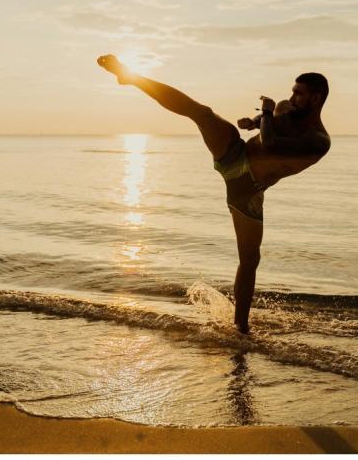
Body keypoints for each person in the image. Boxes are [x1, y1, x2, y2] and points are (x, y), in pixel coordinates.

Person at [96, 54, 330, 334]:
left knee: (250, 260)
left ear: (316, 99)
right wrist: (254, 121)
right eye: (292, 90)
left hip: (249, 191)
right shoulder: (284, 109)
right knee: (201, 112)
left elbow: (271, 144)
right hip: (235, 154)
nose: (291, 98)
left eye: (299, 94)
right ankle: (131, 77)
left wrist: (266, 115)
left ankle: (240, 329)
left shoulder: (318, 141)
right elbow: (269, 126)